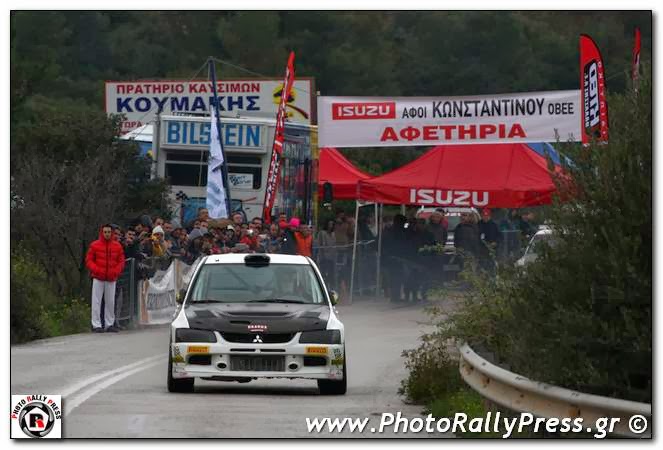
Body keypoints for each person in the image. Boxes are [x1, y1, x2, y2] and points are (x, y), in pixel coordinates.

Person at [85, 224, 125, 332]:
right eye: (105, 232)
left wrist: (116, 271)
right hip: (98, 277)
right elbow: (89, 260)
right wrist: (97, 270)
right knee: (96, 301)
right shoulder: (95, 245)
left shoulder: (117, 246)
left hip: (111, 277)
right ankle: (96, 324)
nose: (107, 234)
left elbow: (121, 261)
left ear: (111, 233)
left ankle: (109, 323)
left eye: (109, 232)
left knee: (110, 301)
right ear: (102, 233)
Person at [316, 220, 337, 288]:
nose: (331, 226)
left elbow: (334, 243)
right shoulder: (322, 233)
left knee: (331, 273)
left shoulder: (333, 234)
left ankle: (330, 287)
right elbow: (321, 244)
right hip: (324, 257)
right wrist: (323, 254)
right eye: (329, 224)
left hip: (331, 257)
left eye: (332, 224)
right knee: (324, 273)